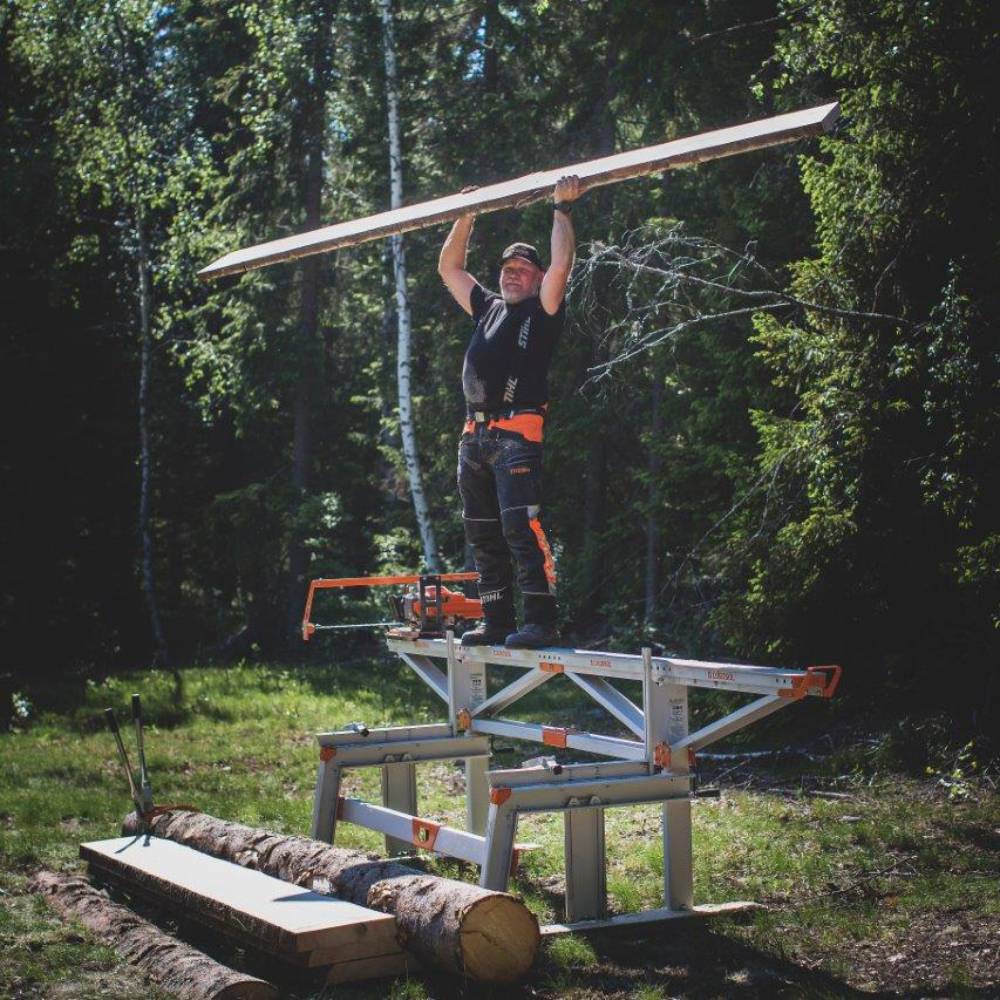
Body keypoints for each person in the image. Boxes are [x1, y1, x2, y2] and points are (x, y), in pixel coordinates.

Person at [438, 175, 581, 648]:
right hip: (473, 438)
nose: (511, 274)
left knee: (522, 528)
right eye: (507, 268)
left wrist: (561, 208)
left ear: (537, 278)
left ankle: (540, 621)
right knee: (482, 534)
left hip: (517, 435)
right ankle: (496, 621)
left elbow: (562, 263)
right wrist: (467, 215)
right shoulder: (488, 308)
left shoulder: (543, 309)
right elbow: (449, 268)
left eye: (522, 268)